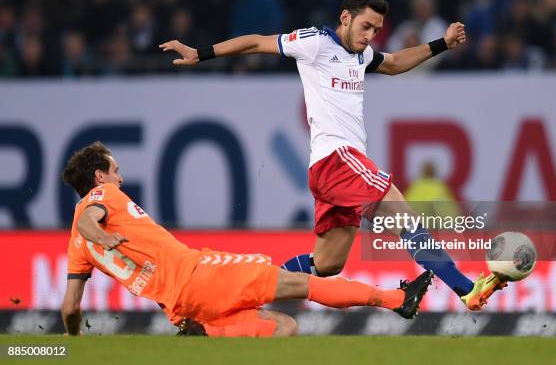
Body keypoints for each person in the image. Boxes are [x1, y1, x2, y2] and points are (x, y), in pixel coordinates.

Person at [160, 0, 505, 310]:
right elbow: (255, 42)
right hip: (338, 159)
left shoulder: (362, 54)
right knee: (405, 218)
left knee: (326, 265)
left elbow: (395, 63)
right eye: (366, 26)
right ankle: (465, 289)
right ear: (345, 18)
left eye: (377, 29)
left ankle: (236, 302)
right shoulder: (314, 43)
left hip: (331, 171)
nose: (370, 35)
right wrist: (200, 53)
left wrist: (442, 44)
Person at [60, 141, 433, 337]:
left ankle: (205, 334)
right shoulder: (101, 198)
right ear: (98, 177)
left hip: (180, 307)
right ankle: (398, 299)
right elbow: (90, 222)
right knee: (301, 284)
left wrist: (73, 344)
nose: (120, 178)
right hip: (198, 275)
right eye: (115, 171)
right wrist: (101, 236)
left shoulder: (76, 250)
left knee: (284, 328)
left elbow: (71, 308)